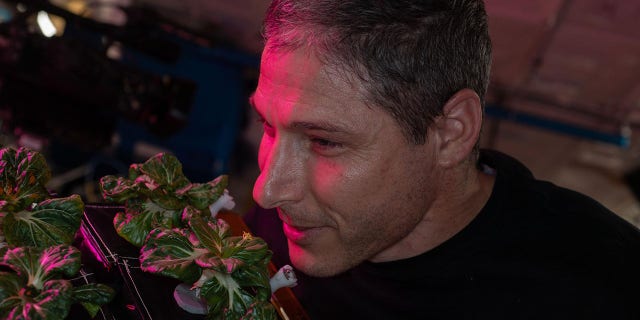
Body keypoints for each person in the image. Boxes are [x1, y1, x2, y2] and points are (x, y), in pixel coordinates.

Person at [244, 0, 640, 318]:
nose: (268, 191)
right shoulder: (285, 226)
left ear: (452, 133)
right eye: (268, 126)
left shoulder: (604, 289)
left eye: (323, 142)